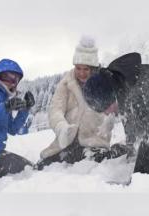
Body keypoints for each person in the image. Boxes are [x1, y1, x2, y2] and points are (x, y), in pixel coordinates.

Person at [36, 36, 129, 169]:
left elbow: (119, 108)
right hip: (66, 143)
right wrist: (61, 127)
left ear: (93, 68)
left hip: (94, 143)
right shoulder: (67, 82)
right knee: (42, 166)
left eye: (86, 69)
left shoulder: (105, 82)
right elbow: (55, 109)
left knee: (90, 165)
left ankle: (118, 149)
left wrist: (110, 118)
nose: (81, 73)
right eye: (78, 68)